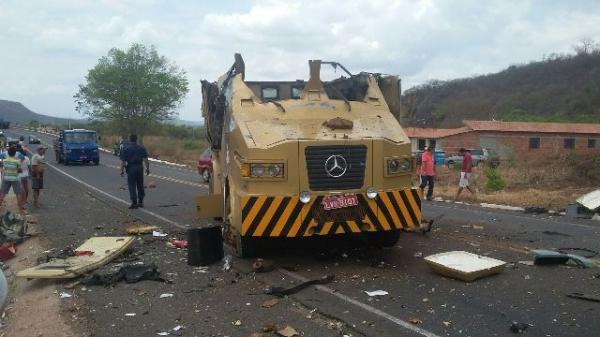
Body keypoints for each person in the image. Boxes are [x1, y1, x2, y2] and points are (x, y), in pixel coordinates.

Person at [120, 134, 150, 209]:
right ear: (136, 139)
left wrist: (122, 170)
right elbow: (145, 159)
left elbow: (123, 162)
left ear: (130, 140)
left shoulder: (126, 148)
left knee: (132, 185)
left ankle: (134, 202)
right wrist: (147, 168)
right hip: (140, 167)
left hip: (131, 168)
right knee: (140, 184)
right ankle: (140, 202)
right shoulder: (142, 147)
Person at [0, 147, 25, 213]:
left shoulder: (4, 160)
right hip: (15, 179)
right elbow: (20, 170)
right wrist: (18, 170)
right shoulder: (17, 161)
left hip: (6, 178)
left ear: (8, 153)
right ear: (15, 153)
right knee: (18, 194)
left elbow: (3, 168)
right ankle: (20, 210)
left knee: (2, 193)